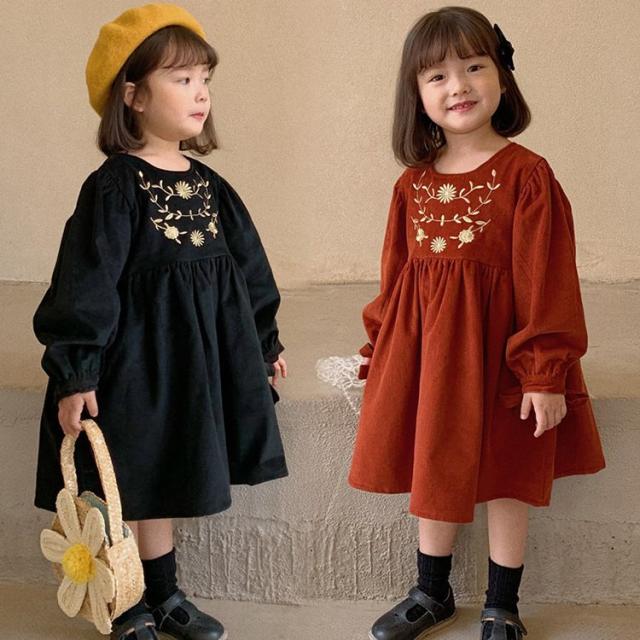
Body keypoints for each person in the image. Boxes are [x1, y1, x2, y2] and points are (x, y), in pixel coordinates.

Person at [348, 7, 605, 640]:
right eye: (437, 76)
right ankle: (430, 592)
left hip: (503, 354)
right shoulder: (413, 185)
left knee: (508, 470)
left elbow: (547, 278)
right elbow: (397, 277)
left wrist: (544, 372)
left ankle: (502, 603)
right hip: (433, 357)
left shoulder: (527, 177)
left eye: (473, 67)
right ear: (416, 95)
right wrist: (380, 349)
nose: (458, 86)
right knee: (434, 461)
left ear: (502, 77)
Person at [33, 4, 288, 640]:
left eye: (204, 79)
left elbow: (250, 270)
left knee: (167, 472)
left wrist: (265, 342)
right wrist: (76, 370)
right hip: (130, 368)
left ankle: (166, 593)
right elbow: (85, 281)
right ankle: (126, 601)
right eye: (181, 79)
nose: (200, 93)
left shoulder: (211, 187)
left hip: (189, 365)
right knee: (127, 478)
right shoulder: (115, 188)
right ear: (133, 94)